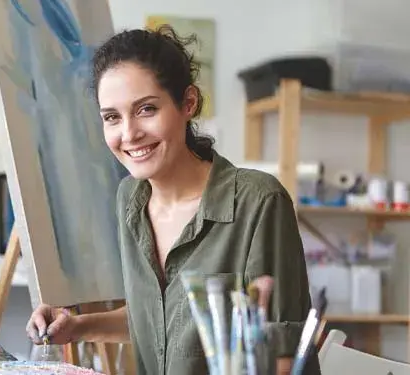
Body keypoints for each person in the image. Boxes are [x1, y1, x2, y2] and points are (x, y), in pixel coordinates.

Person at [26, 25, 321, 375]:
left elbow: (280, 357)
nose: (129, 134)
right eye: (112, 117)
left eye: (146, 109)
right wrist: (76, 327)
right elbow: (160, 323)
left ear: (188, 103)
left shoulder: (258, 202)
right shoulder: (129, 200)